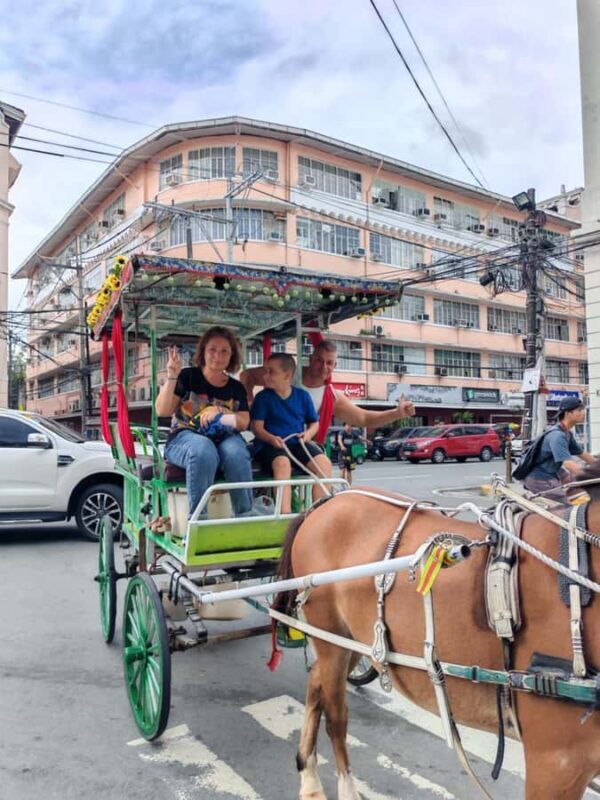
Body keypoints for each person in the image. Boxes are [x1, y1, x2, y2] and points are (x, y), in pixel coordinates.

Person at [156, 326, 254, 517]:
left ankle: (245, 516)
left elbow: (243, 422)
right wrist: (172, 376)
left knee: (237, 452)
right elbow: (163, 410)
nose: (218, 355)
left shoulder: (236, 388)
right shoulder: (188, 376)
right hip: (184, 437)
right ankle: (199, 520)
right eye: (212, 350)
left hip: (225, 438)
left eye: (224, 351)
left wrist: (221, 411)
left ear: (231, 355)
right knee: (203, 450)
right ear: (203, 352)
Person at [240, 340, 415, 441]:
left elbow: (363, 417)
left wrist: (397, 413)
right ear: (310, 359)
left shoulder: (330, 396)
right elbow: (246, 376)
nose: (323, 367)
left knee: (322, 465)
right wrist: (249, 409)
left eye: (329, 363)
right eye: (319, 360)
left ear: (335, 366)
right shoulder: (287, 371)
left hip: (296, 443)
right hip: (267, 438)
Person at [251, 353, 331, 514]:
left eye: (271, 372)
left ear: (287, 375)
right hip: (271, 445)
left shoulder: (302, 396)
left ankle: (319, 514)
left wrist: (308, 434)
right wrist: (272, 439)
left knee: (324, 463)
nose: (266, 376)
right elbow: (257, 428)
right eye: (265, 371)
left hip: (298, 443)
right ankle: (285, 516)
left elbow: (314, 423)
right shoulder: (262, 398)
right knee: (283, 464)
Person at [523, 397, 594, 505]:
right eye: (579, 410)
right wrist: (590, 476)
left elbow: (583, 455)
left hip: (553, 472)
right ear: (568, 414)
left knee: (579, 487)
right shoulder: (558, 436)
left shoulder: (566, 433)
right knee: (566, 509)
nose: (583, 413)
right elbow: (569, 464)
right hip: (540, 478)